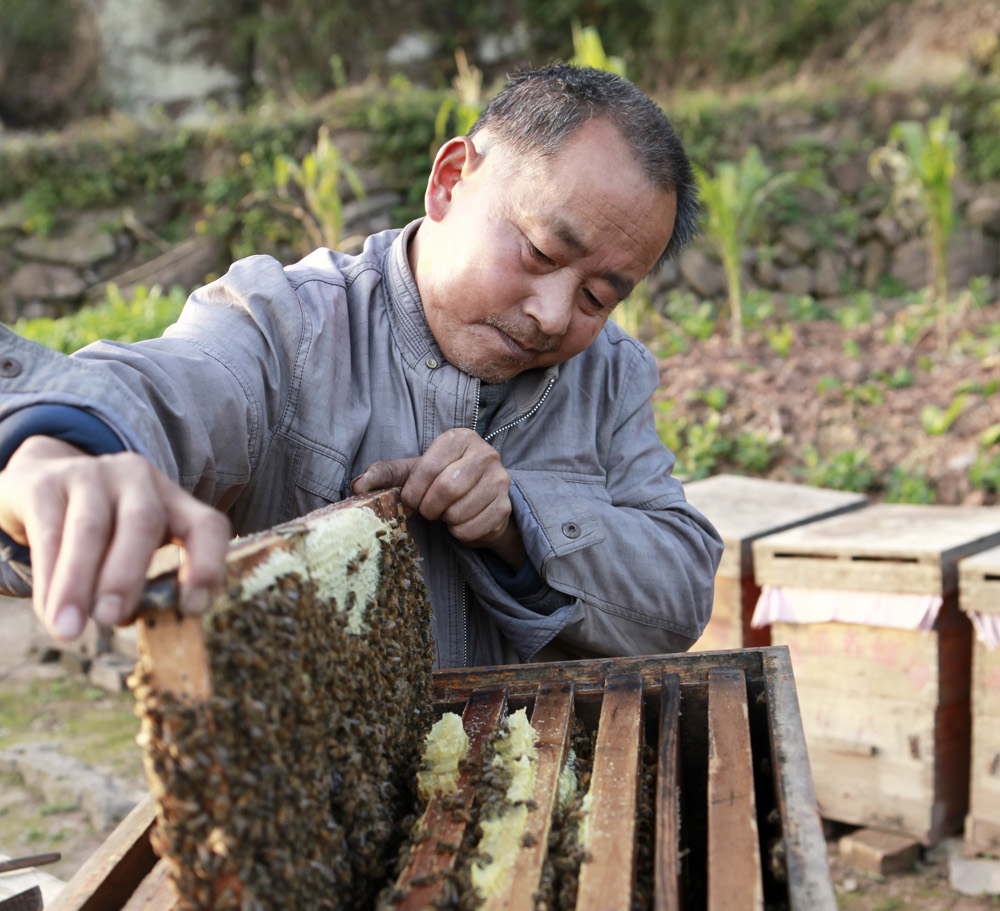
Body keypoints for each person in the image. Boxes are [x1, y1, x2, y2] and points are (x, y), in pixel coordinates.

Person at [0, 64, 722, 668]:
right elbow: (174, 384)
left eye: (599, 296)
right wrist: (58, 444)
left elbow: (678, 593)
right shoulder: (285, 322)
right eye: (539, 253)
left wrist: (515, 521)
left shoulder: (612, 373)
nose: (555, 315)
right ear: (449, 182)